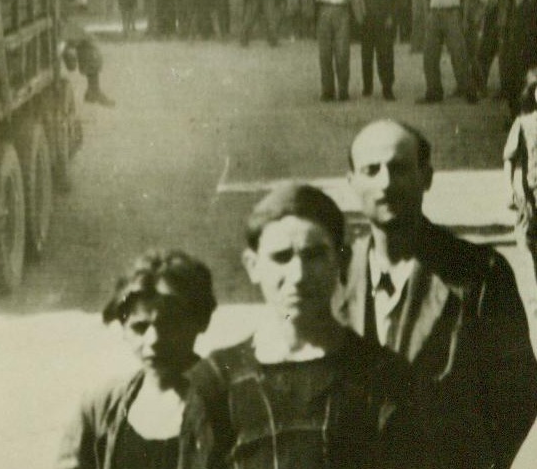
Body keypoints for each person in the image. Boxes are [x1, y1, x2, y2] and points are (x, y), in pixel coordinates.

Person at [184, 182, 464, 469]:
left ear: (341, 260)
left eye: (314, 255)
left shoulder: (383, 376)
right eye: (281, 257)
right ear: (253, 265)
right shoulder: (217, 383)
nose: (299, 275)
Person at [342, 119, 537, 469]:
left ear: (426, 177)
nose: (386, 183)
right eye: (371, 170)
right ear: (351, 182)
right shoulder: (333, 276)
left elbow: (518, 396)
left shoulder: (479, 273)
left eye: (399, 169)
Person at [57, 249, 216, 469]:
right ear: (123, 328)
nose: (154, 340)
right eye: (140, 327)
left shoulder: (225, 404)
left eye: (169, 325)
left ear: (200, 321)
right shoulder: (102, 406)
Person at [281, 0, 353, 101]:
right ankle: (328, 90)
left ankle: (343, 90)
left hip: (342, 11)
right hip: (324, 11)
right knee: (325, 53)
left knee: (342, 53)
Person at [421, 0, 475, 103]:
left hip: (452, 15)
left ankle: (469, 92)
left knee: (459, 55)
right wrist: (427, 16)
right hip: (434, 16)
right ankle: (433, 92)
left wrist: (464, 19)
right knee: (430, 56)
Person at [504, 68, 537, 288]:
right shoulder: (524, 123)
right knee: (532, 245)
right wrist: (509, 188)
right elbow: (509, 157)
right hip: (533, 197)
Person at [358, 0, 400, 101]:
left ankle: (387, 88)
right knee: (366, 53)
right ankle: (367, 87)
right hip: (366, 19)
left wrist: (392, 16)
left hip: (384, 19)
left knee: (385, 53)